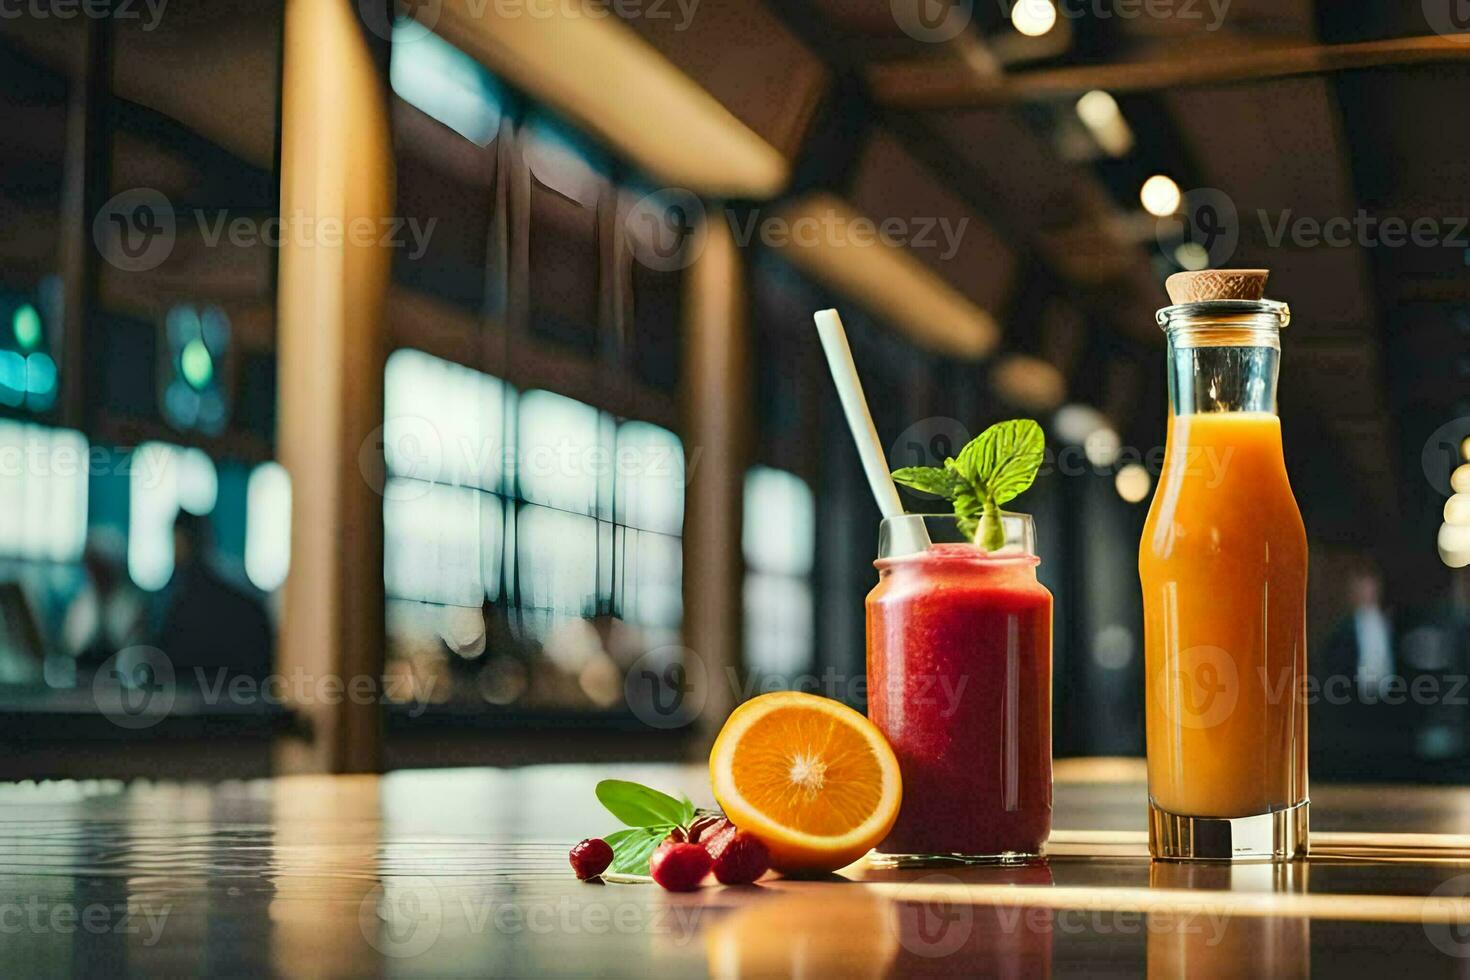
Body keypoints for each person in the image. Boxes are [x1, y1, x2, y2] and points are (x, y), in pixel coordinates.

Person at [152, 512, 273, 688]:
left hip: (193, 704)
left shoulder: (180, 603)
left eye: (176, 542)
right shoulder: (244, 603)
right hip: (239, 703)